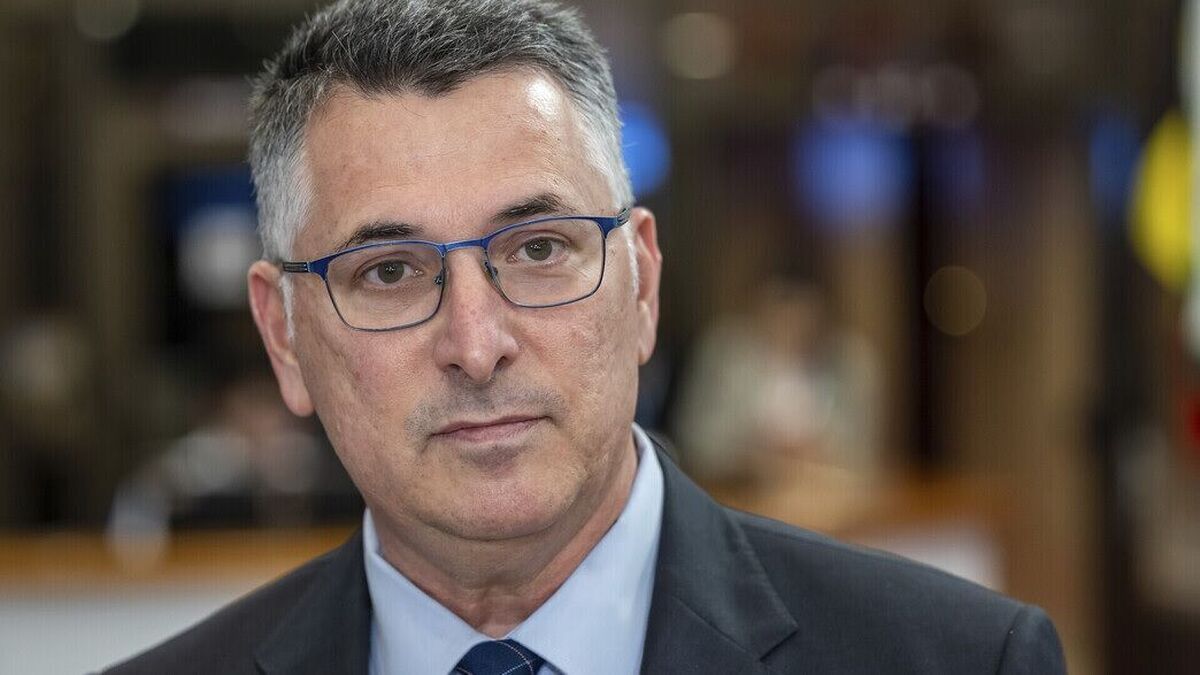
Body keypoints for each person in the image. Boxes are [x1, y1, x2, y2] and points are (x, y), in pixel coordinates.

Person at [104, 1, 1066, 673]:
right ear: (283, 335)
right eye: (389, 271)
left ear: (641, 282)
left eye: (539, 250)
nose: (476, 343)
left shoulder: (958, 661)